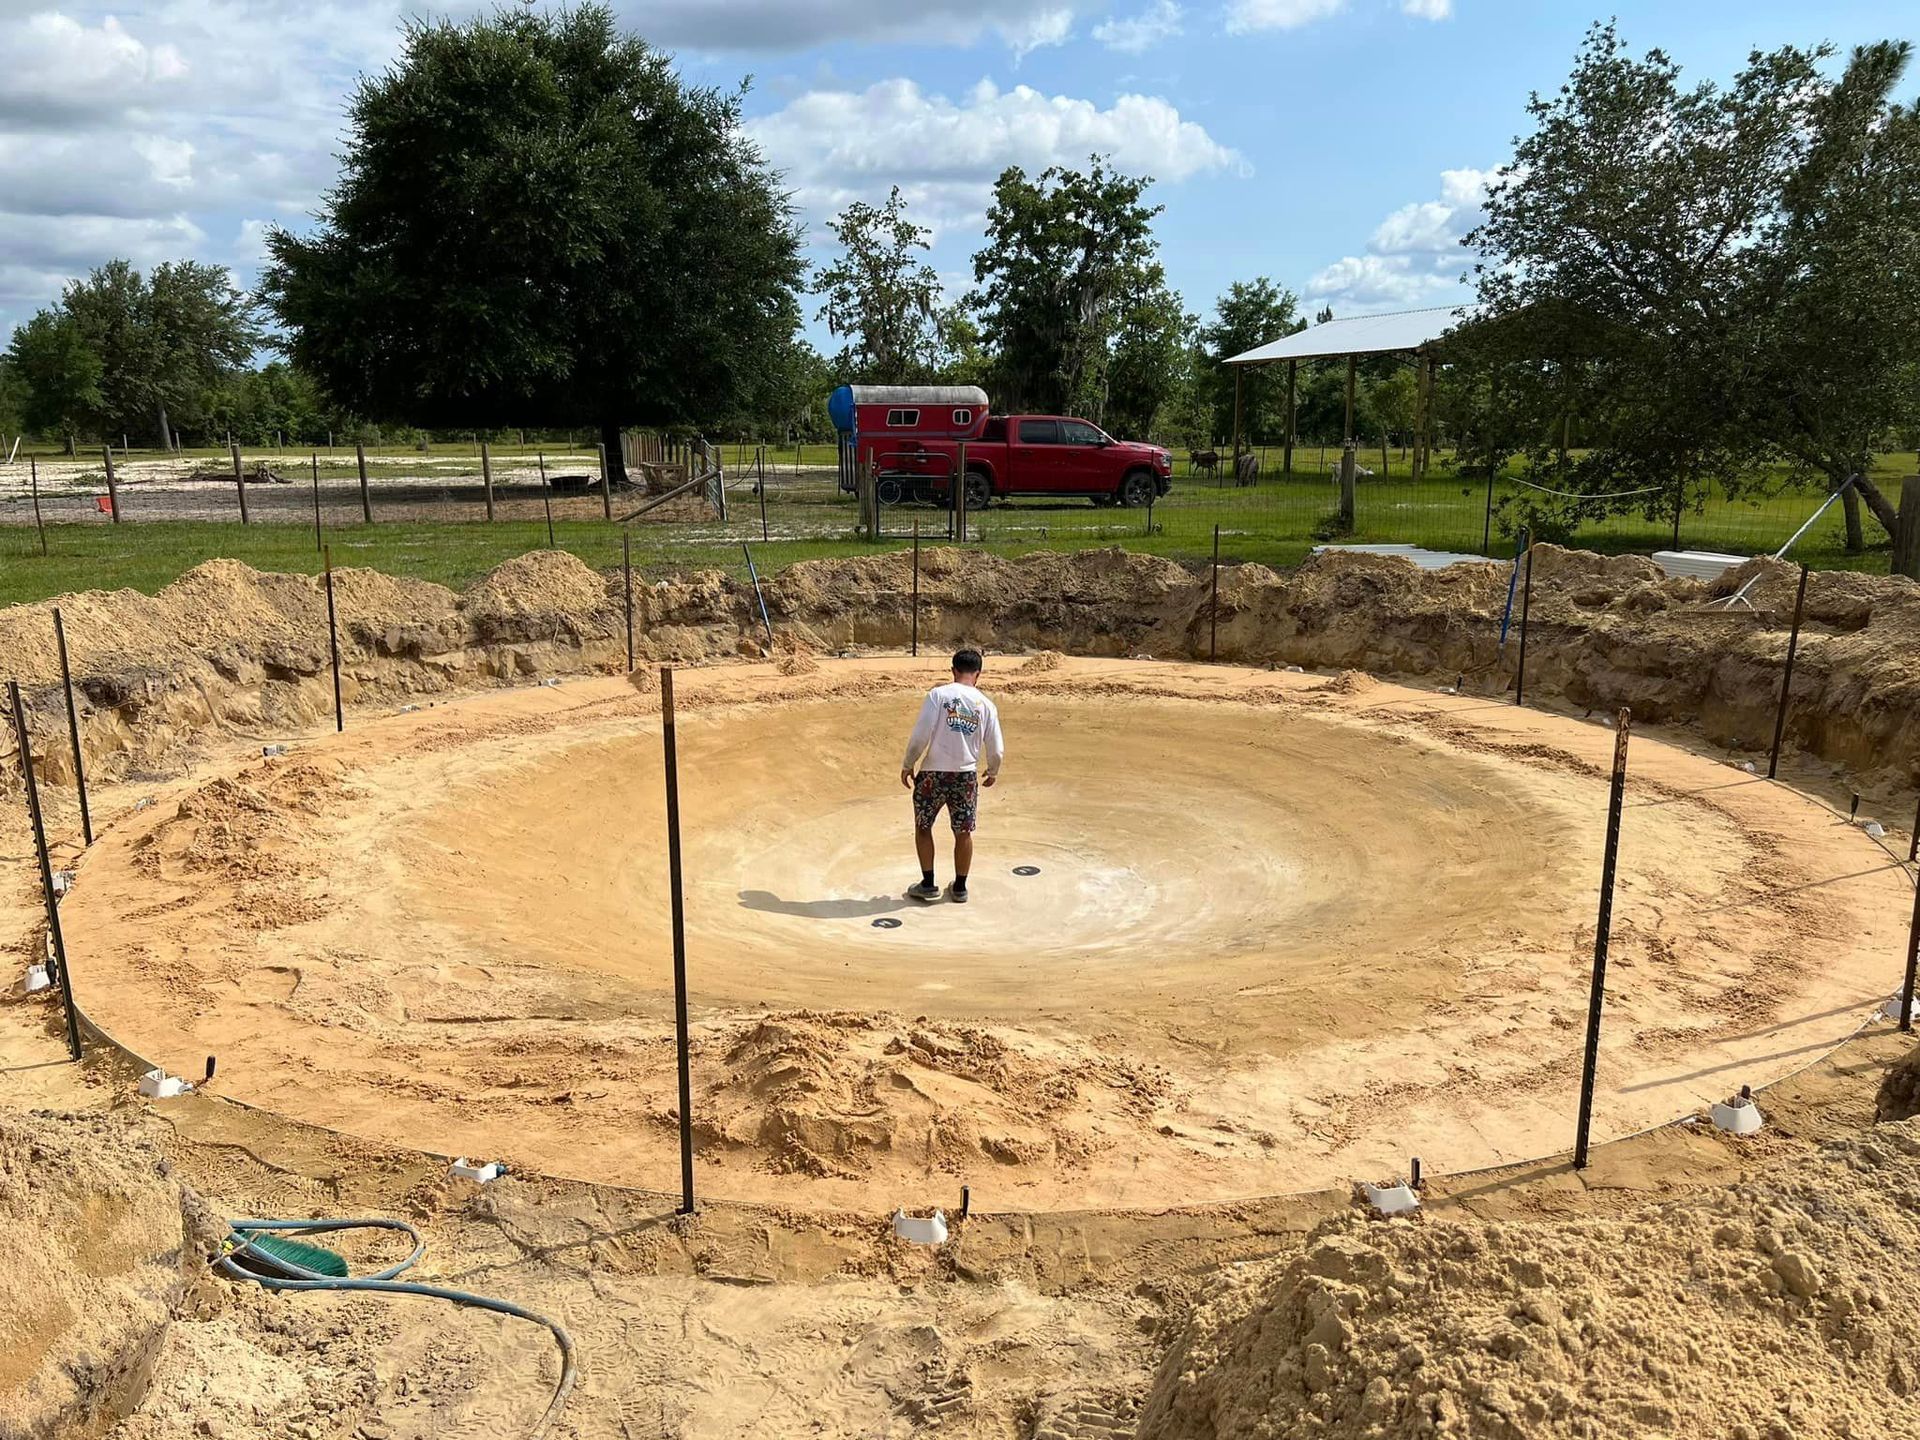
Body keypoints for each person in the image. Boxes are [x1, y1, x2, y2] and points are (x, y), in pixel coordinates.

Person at [900, 648, 1004, 904]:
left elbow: (920, 735)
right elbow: (997, 748)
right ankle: (959, 888)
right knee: (964, 832)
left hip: (933, 772)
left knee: (923, 827)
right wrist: (992, 770)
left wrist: (908, 763)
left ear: (953, 670)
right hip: (965, 775)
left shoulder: (938, 695)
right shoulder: (986, 705)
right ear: (978, 674)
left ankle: (928, 883)